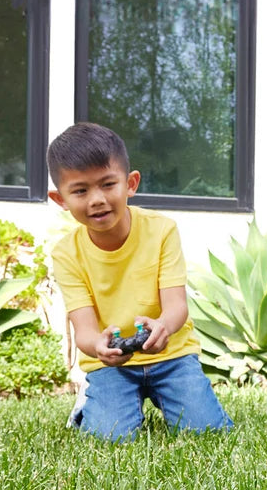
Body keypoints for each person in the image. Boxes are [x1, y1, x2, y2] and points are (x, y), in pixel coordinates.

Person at [46, 121, 232, 442]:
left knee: (207, 432)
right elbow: (85, 331)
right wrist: (99, 347)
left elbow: (176, 306)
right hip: (111, 366)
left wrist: (163, 327)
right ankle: (91, 404)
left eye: (108, 184)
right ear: (60, 199)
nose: (96, 199)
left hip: (172, 356)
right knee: (110, 438)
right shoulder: (66, 253)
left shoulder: (162, 230)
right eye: (80, 191)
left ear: (130, 183)